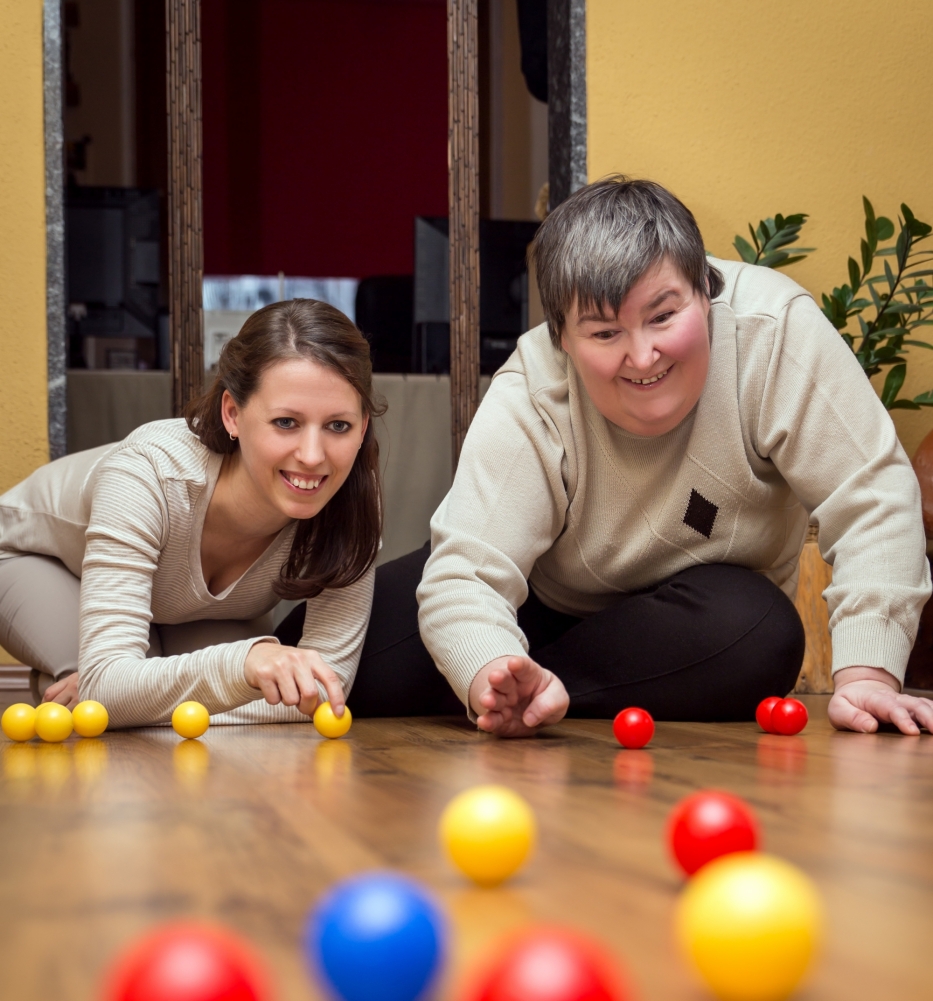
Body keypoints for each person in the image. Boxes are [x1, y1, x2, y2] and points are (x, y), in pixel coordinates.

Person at [404, 176, 931, 737]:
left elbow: (872, 498)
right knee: (367, 658)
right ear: (561, 338)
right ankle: (524, 686)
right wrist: (490, 664)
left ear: (707, 291)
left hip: (697, 617)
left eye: (662, 317)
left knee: (759, 635)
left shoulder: (773, 333)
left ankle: (542, 692)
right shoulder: (532, 387)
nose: (642, 356)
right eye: (605, 333)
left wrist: (869, 678)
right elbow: (465, 575)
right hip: (537, 599)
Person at [0, 300, 382, 728]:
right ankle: (76, 671)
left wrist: (131, 699)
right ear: (233, 414)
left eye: (338, 426)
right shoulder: (148, 475)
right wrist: (107, 686)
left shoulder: (350, 504)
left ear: (363, 426)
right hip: (37, 560)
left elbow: (322, 694)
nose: (313, 457)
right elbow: (113, 684)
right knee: (140, 685)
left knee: (154, 692)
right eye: (286, 423)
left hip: (187, 613)